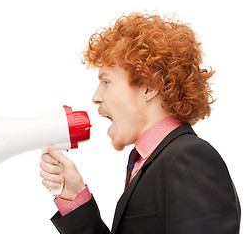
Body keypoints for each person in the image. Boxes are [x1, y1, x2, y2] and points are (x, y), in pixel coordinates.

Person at [39, 12, 241, 234]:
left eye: (107, 81)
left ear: (148, 87)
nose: (96, 97)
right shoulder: (149, 164)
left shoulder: (190, 158)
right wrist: (75, 198)